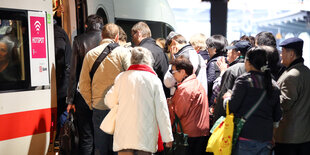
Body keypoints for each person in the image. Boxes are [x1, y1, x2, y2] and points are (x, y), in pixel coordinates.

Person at [104, 47, 173, 155]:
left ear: (131, 60)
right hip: (146, 132)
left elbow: (109, 101)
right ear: (148, 60)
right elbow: (162, 110)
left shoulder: (121, 77)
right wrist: (167, 137)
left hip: (124, 131)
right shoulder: (153, 79)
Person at [79, 23, 131, 155]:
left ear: (102, 36)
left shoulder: (90, 54)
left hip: (99, 107)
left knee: (100, 147)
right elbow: (132, 78)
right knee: (118, 147)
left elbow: (83, 84)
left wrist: (92, 103)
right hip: (119, 107)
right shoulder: (124, 53)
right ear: (117, 37)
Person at [223, 47, 282, 155]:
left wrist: (226, 98)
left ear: (248, 62)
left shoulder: (244, 81)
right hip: (266, 139)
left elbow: (232, 107)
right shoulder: (274, 85)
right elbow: (277, 116)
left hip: (245, 137)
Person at [66, 14, 104, 155]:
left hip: (83, 96)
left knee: (86, 137)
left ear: (86, 26)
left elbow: (73, 73)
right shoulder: (107, 42)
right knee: (103, 137)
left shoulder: (79, 41)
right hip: (104, 96)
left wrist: (70, 100)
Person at [274, 37, 310, 155]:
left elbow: (284, 103)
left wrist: (269, 95)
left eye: (283, 52)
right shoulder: (306, 71)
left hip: (289, 136)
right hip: (304, 135)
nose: (280, 55)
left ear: (292, 54)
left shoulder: (292, 75)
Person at [168, 56, 209, 155]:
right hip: (199, 131)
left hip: (188, 134)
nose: (173, 75)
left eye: (173, 72)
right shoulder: (195, 82)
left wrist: (170, 104)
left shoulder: (185, 88)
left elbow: (178, 112)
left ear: (182, 72)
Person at [131, 22, 170, 97]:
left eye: (132, 36)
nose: (132, 39)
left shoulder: (140, 51)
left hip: (146, 97)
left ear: (139, 34)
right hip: (161, 95)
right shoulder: (160, 50)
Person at [163, 32, 208, 96]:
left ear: (173, 43)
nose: (170, 52)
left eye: (170, 49)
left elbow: (168, 82)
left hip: (184, 99)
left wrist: (173, 60)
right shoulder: (198, 56)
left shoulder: (181, 58)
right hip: (199, 97)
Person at [53, 17, 72, 142]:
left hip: (62, 83)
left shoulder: (57, 34)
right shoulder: (59, 32)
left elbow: (60, 59)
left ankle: (62, 143)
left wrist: (56, 80)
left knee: (62, 114)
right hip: (63, 82)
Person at [205, 35, 227, 107]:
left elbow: (209, 82)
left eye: (208, 47)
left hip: (213, 100)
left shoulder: (213, 63)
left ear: (214, 49)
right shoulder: (226, 60)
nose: (207, 50)